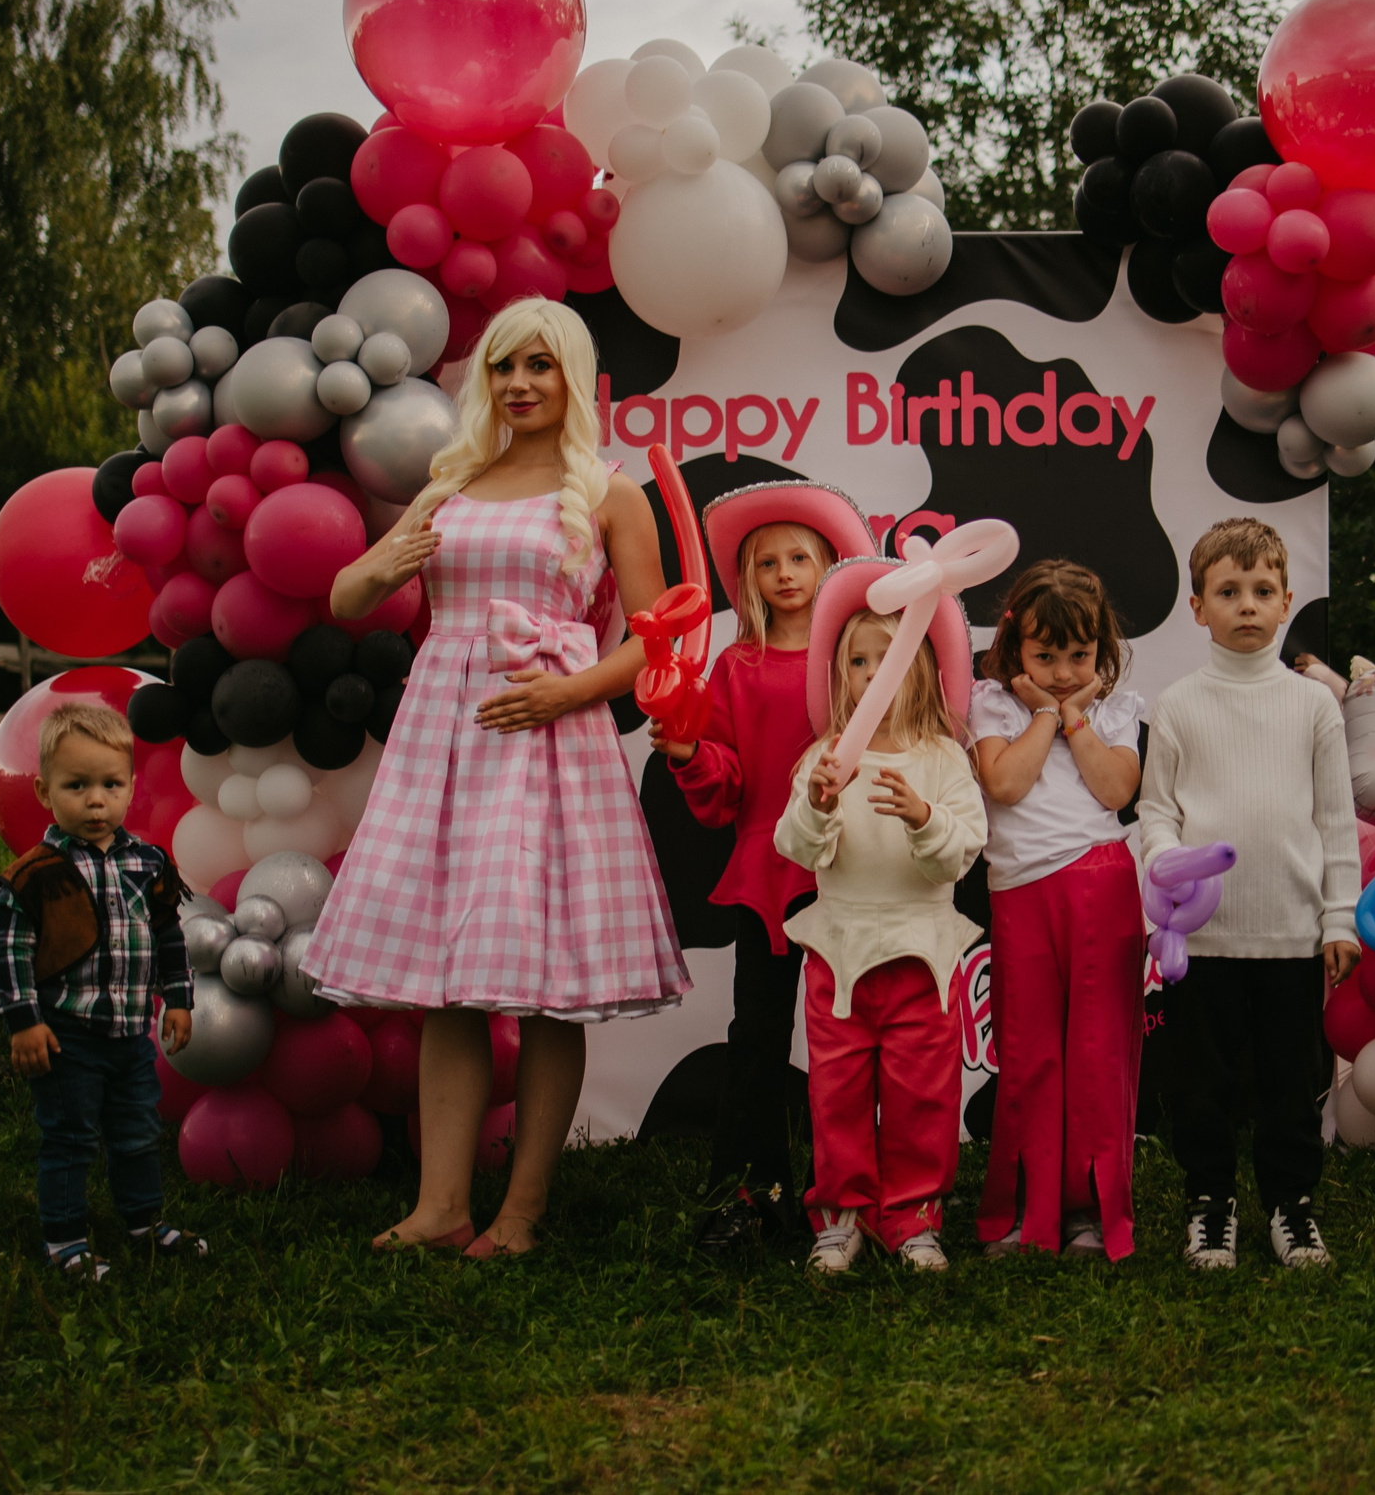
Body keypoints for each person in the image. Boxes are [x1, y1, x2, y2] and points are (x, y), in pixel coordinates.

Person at [302, 298, 687, 1260]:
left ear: (573, 378)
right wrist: (389, 555)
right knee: (449, 982)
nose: (520, 383)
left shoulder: (608, 491)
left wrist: (564, 693)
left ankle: (521, 1211)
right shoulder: (450, 484)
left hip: (552, 740)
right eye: (505, 366)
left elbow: (655, 643)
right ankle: (442, 1205)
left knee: (548, 983)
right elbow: (347, 597)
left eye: (541, 366)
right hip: (446, 737)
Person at [657, 481, 877, 1255]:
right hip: (768, 875)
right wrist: (688, 753)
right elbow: (724, 789)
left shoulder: (860, 658)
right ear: (747, 579)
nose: (784, 573)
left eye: (799, 557)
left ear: (827, 565)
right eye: (766, 562)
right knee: (757, 1035)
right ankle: (748, 1197)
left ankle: (853, 1202)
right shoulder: (737, 666)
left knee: (848, 1041)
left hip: (856, 878)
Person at [1138, 518, 1360, 1271]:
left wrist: (1338, 917)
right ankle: (1211, 1202)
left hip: (1292, 935)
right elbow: (1155, 812)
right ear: (1197, 606)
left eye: (1262, 590)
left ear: (1287, 600)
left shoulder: (1313, 706)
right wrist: (1169, 864)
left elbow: (1336, 821)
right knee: (1200, 1083)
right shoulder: (1177, 704)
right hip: (1203, 938)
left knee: (1292, 1086)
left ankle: (1291, 1205)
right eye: (1228, 591)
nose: (1247, 605)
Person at [774, 562, 988, 1274]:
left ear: (922, 671)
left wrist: (925, 818)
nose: (873, 674)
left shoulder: (943, 760)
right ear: (840, 677)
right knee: (835, 1091)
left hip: (921, 955)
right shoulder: (826, 758)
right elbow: (794, 845)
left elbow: (959, 855)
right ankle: (840, 1214)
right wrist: (820, 803)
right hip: (839, 954)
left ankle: (913, 1216)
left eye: (889, 659)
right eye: (858, 662)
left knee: (921, 1094)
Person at [968, 559, 1146, 1261]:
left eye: (1080, 655)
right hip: (1019, 891)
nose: (1066, 670)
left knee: (1098, 1055)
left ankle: (1091, 1211)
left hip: (1101, 882)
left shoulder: (1117, 708)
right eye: (1047, 656)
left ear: (1101, 650)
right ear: (1016, 646)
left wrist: (1074, 714)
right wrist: (1044, 710)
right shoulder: (991, 702)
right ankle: (1023, 1207)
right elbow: (1005, 783)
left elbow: (1114, 789)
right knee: (1030, 1054)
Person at [0, 702, 203, 1281]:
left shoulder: (148, 862)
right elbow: (10, 952)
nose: (95, 800)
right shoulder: (36, 873)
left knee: (137, 1131)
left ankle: (142, 1223)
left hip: (131, 1033)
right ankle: (65, 1240)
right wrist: (24, 1021)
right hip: (66, 1035)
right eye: (76, 785)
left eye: (110, 784)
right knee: (71, 1136)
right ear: (42, 790)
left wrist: (179, 998)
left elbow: (167, 934)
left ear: (131, 787)